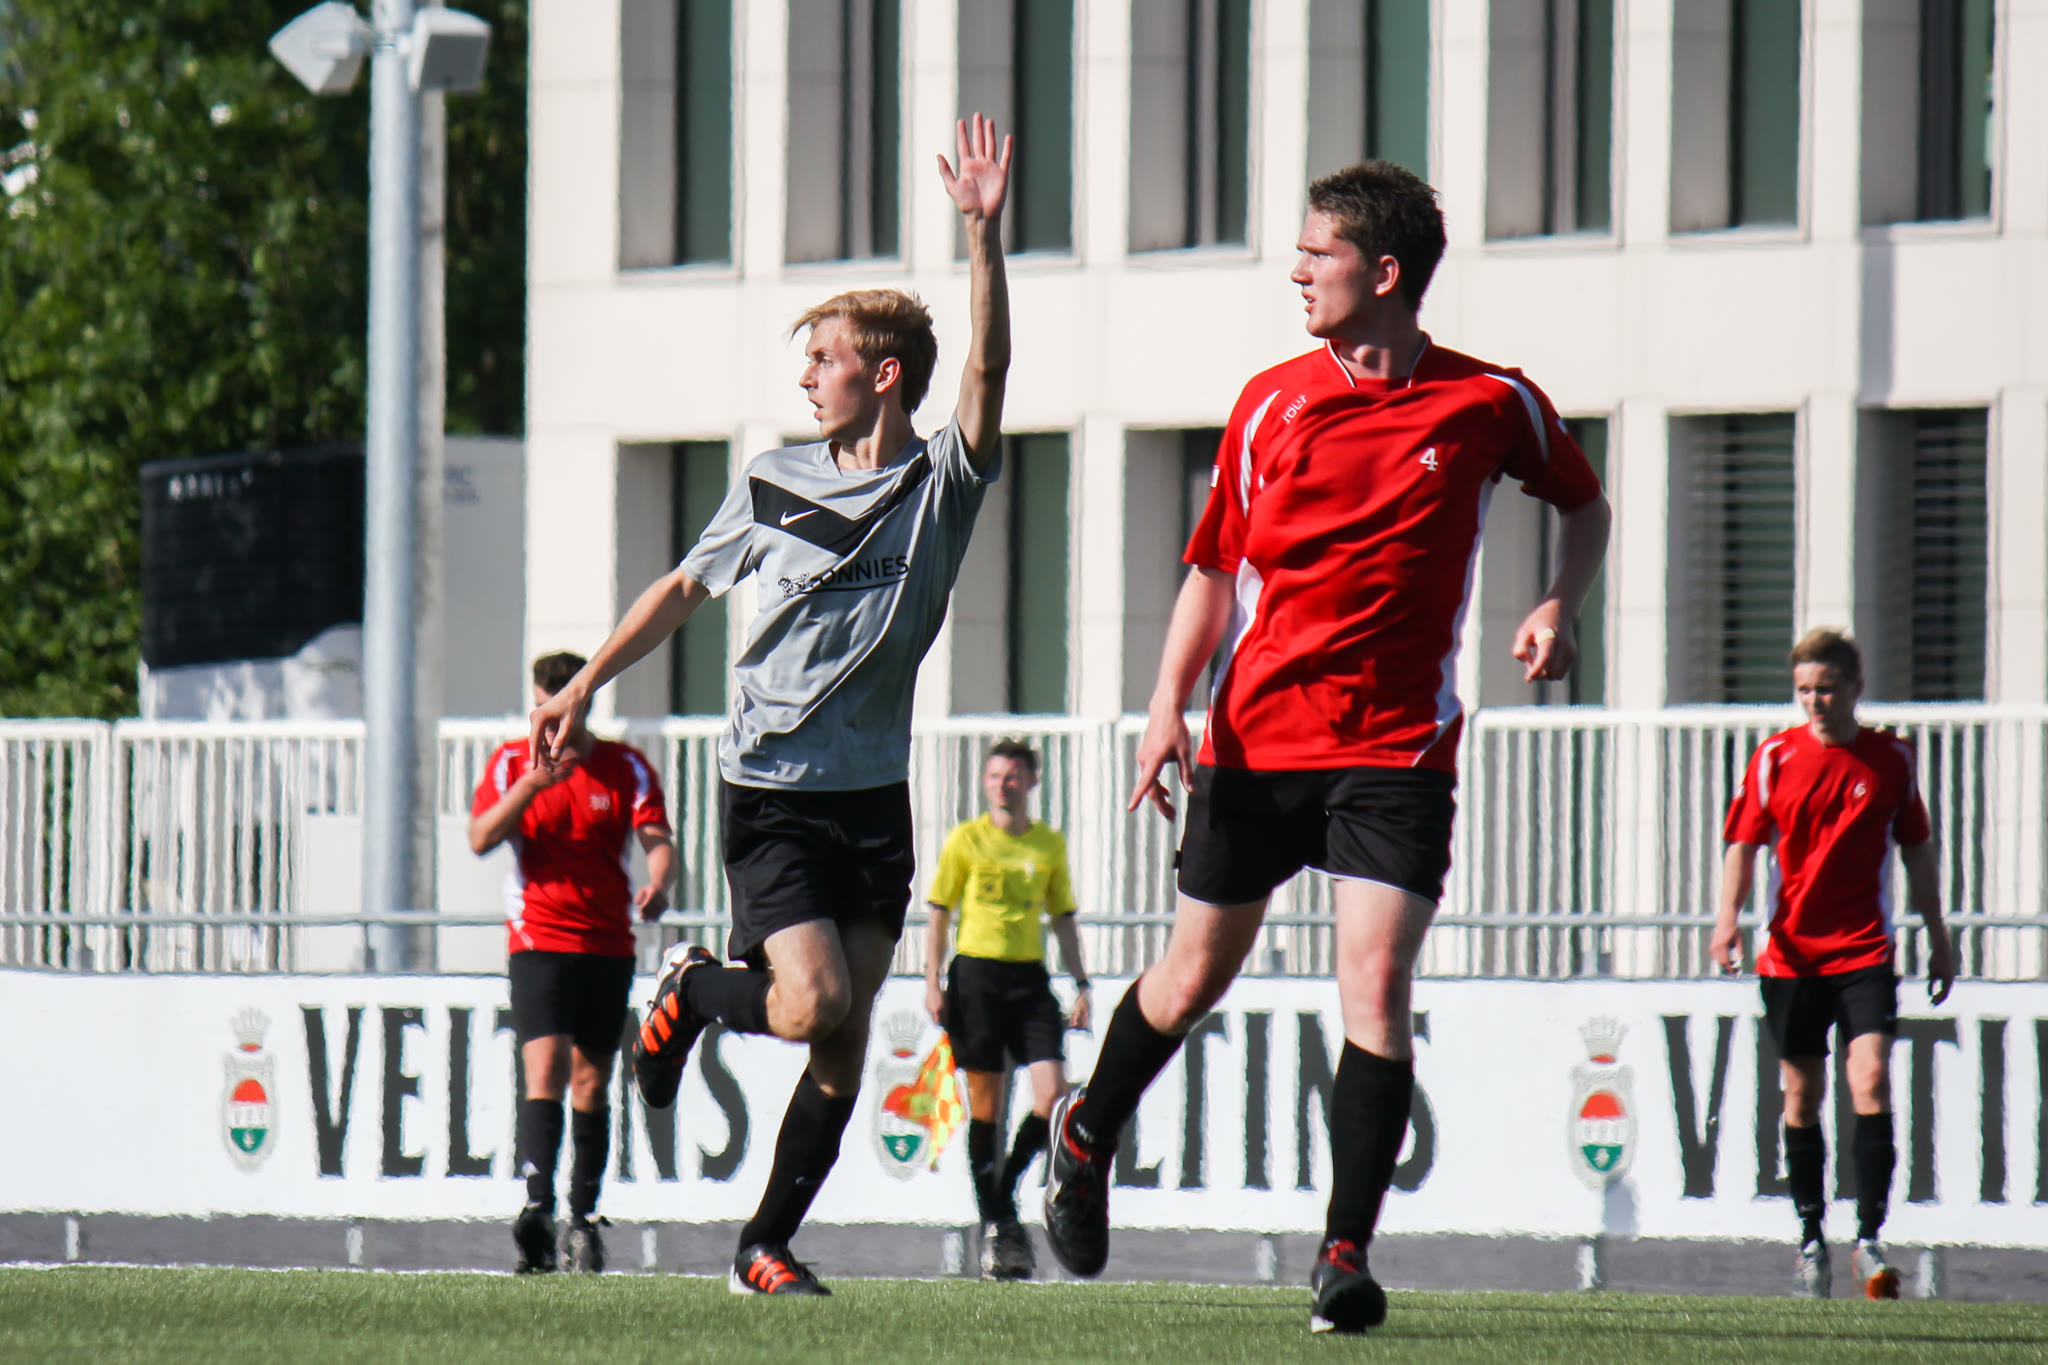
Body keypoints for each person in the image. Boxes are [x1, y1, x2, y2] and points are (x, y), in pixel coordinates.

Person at [1037, 160, 1611, 1334]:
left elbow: (1583, 502)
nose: (1295, 272)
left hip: (1397, 751)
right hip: (1255, 743)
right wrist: (1165, 706)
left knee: (1377, 988)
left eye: (1317, 253)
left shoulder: (1489, 403)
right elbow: (1213, 569)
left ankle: (1342, 1255)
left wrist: (1560, 601)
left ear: (1383, 272)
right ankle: (1085, 1132)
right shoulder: (1269, 403)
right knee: (1190, 978)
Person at [528, 115, 1014, 1298]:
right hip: (773, 791)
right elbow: (683, 588)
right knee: (810, 1006)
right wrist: (587, 681)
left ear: (881, 375)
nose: (805, 377)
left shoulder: (937, 484)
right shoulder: (770, 480)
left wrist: (980, 237)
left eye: (824, 359)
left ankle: (764, 1244)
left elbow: (987, 375)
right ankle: (694, 989)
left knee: (841, 1048)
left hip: (872, 800)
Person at [1712, 628, 1955, 1300]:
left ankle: (1870, 1238)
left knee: (1870, 1077)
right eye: (1804, 690)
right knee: (1801, 1095)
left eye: (1826, 688)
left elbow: (1917, 848)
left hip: (1864, 950)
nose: (1815, 701)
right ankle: (1811, 1239)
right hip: (1791, 955)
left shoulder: (1890, 759)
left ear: (1854, 687)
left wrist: (1938, 934)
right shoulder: (1774, 758)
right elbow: (1743, 843)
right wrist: (1726, 918)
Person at [469, 651, 676, 1274]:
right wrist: (533, 784)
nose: (555, 720)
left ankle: (583, 1220)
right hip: (538, 938)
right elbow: (480, 837)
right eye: (545, 706)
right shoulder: (513, 763)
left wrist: (660, 882)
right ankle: (538, 1210)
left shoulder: (623, 766)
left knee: (591, 1080)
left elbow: (657, 838)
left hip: (607, 942)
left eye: (566, 707)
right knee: (546, 1067)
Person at [923, 739, 1092, 1280]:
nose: (1003, 785)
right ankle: (998, 1223)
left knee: (1053, 1096)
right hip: (976, 978)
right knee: (987, 1105)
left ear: (1031, 782)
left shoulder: (1048, 844)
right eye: (995, 776)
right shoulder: (966, 840)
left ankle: (1006, 1188)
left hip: (1029, 980)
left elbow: (1062, 917)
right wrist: (932, 981)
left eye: (1013, 776)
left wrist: (1082, 983)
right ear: (985, 782)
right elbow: (939, 912)